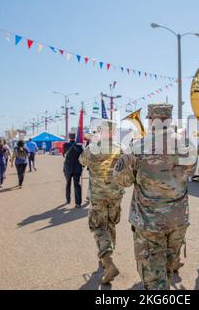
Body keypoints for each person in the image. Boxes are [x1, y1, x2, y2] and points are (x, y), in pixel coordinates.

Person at [113, 103, 197, 290]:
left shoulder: (137, 146)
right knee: (167, 268)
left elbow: (123, 180)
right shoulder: (187, 146)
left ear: (151, 120)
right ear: (170, 120)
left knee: (153, 279)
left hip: (148, 223)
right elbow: (190, 172)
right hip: (178, 220)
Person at [79, 120, 125, 284]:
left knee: (99, 227)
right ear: (114, 132)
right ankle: (108, 250)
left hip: (98, 195)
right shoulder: (121, 148)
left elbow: (82, 161)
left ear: (101, 131)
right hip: (115, 195)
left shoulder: (92, 148)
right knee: (111, 223)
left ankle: (108, 261)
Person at [63, 133, 83, 207]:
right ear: (75, 137)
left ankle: (68, 199)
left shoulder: (65, 145)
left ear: (69, 137)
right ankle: (78, 203)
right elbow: (82, 156)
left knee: (68, 184)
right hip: (77, 167)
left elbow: (63, 154)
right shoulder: (79, 146)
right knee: (77, 185)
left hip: (68, 167)